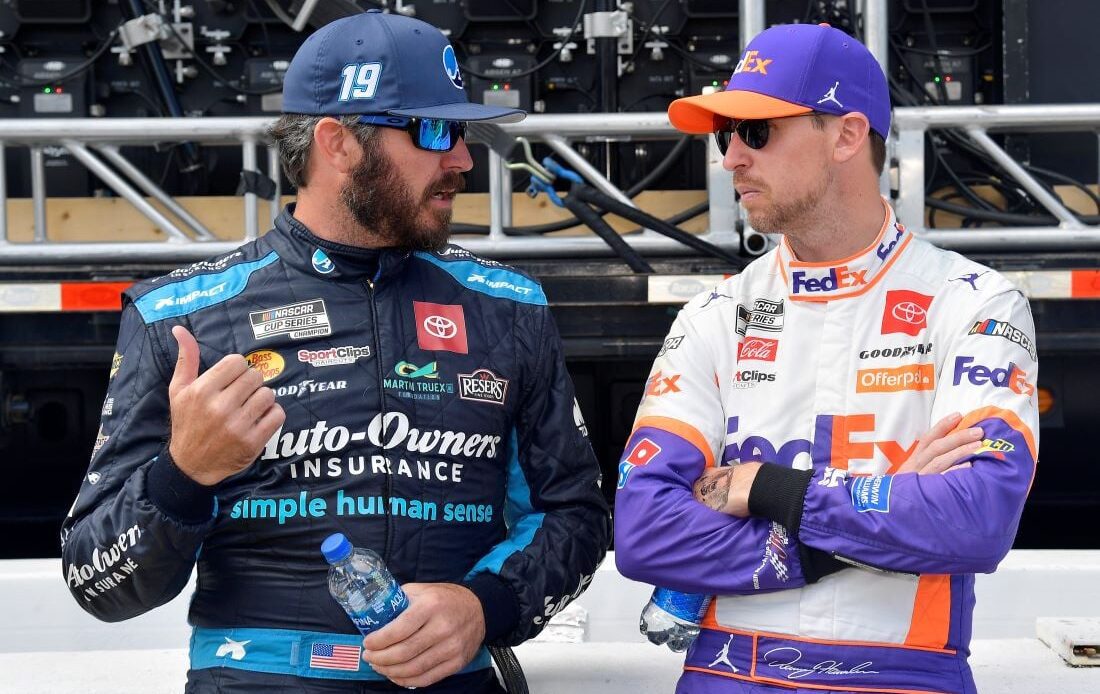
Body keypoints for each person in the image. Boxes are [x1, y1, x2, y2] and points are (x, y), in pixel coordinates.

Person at [60, 10, 610, 693]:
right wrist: (183, 474)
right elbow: (96, 581)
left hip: (454, 679)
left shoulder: (508, 306)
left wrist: (485, 605)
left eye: (463, 131)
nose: (463, 159)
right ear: (337, 142)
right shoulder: (181, 316)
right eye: (434, 130)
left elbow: (576, 518)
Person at [614, 22, 1038, 694]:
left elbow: (976, 519)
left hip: (906, 675)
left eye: (757, 132)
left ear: (845, 135)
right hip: (731, 673)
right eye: (725, 135)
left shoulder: (976, 303)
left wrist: (767, 490)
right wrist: (864, 526)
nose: (730, 159)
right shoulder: (713, 317)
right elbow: (645, 532)